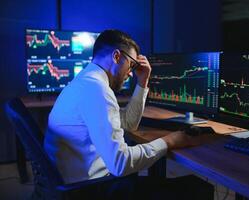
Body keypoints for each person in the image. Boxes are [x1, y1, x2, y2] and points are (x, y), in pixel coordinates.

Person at [44, 29, 213, 199]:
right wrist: (169, 141)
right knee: (196, 189)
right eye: (131, 65)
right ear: (116, 57)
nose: (131, 73)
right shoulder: (97, 91)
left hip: (73, 184)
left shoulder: (86, 81)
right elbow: (120, 163)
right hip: (89, 190)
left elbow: (129, 123)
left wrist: (142, 81)